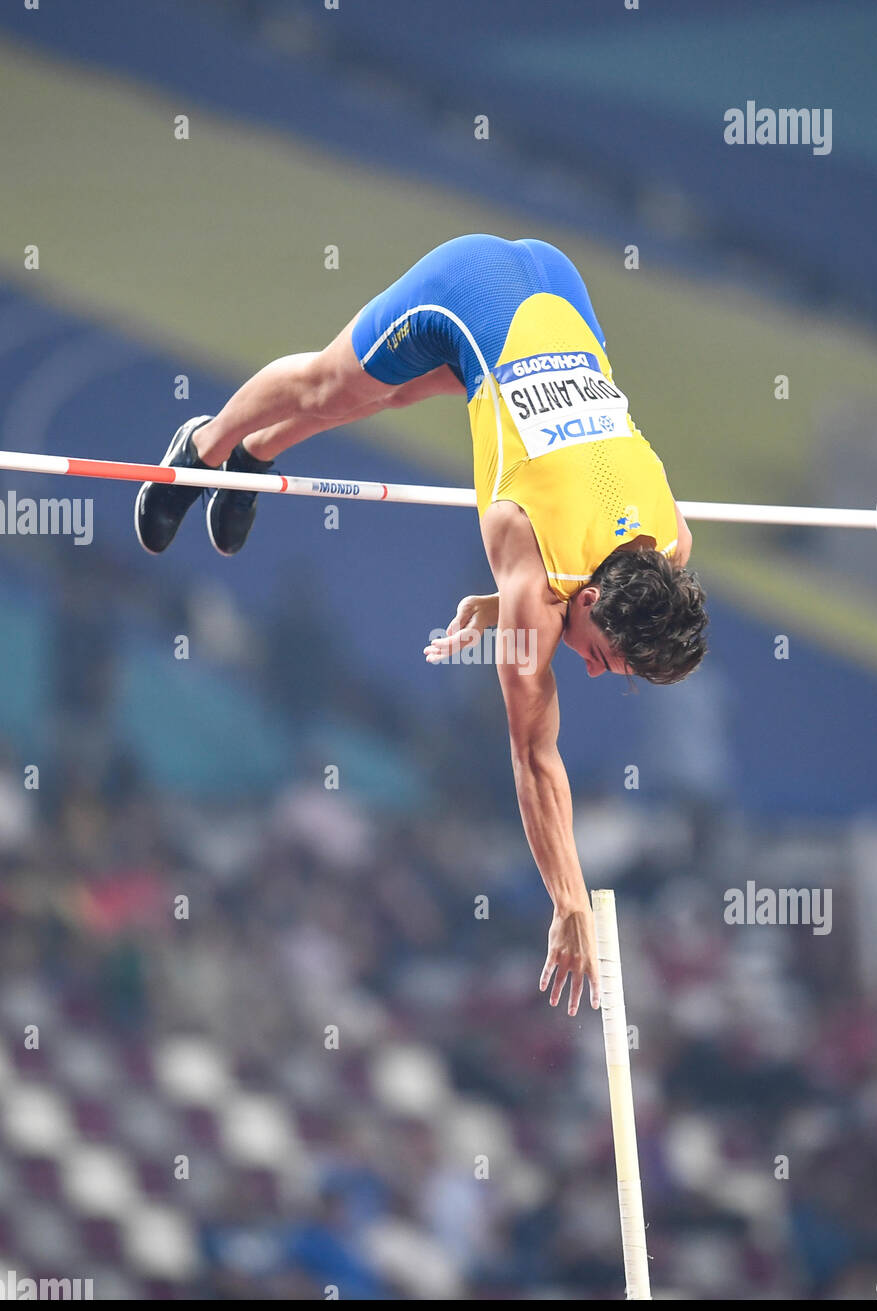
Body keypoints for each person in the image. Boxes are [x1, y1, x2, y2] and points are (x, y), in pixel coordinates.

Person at [135, 234, 708, 1016]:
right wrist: (568, 899)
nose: (602, 672)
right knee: (330, 386)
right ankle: (206, 444)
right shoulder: (530, 560)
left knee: (399, 391)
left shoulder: (667, 544)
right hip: (474, 289)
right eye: (607, 657)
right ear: (591, 601)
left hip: (557, 297)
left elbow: (617, 562)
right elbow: (534, 756)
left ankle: (259, 456)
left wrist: (501, 605)